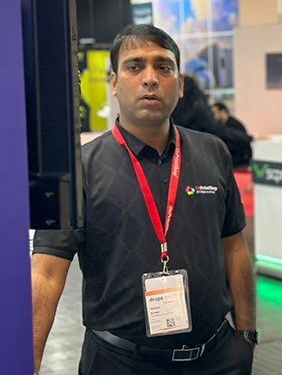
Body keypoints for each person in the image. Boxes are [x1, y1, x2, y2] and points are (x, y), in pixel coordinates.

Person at [31, 24, 257, 375]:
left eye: (163, 67)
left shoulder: (213, 152)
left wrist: (246, 334)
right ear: (114, 83)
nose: (150, 78)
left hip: (216, 357)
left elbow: (235, 247)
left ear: (180, 85)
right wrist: (29, 361)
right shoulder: (78, 170)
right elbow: (46, 273)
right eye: (135, 66)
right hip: (120, 362)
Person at [172, 76, 253, 169]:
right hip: (197, 158)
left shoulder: (172, 110)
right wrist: (248, 138)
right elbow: (216, 130)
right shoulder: (198, 108)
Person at [211, 101, 253, 167]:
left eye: (214, 113)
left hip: (240, 161)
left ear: (223, 112)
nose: (212, 116)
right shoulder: (220, 126)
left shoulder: (234, 125)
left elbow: (241, 144)